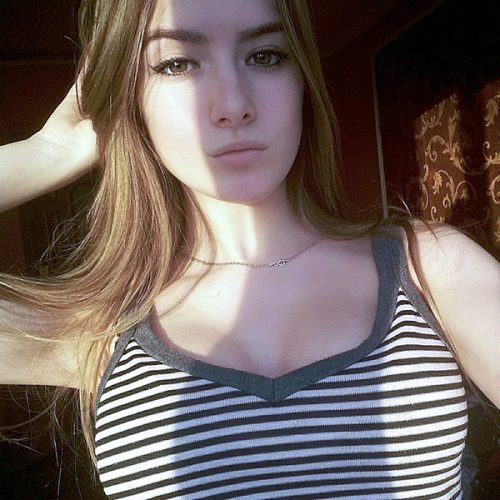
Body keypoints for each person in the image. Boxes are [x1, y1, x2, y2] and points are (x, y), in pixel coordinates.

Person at [0, 0, 498, 498]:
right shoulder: (102, 323)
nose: (234, 104)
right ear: (133, 99)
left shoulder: (430, 268)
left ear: (302, 80)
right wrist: (48, 153)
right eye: (177, 63)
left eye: (265, 56)